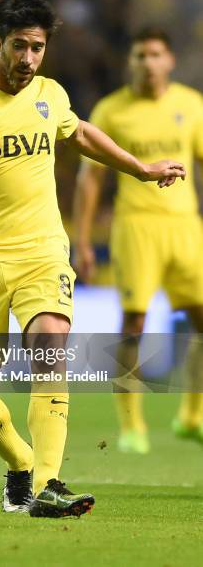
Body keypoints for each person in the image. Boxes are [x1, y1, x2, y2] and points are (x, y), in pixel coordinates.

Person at [0, 0, 185, 518]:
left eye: (38, 48)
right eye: (19, 46)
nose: (29, 58)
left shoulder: (50, 95)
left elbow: (78, 132)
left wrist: (140, 169)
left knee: (50, 347)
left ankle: (51, 483)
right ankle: (21, 464)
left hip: (42, 251)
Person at [73, 27, 203, 454]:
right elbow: (90, 181)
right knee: (134, 324)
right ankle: (132, 426)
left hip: (185, 226)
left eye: (156, 55)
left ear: (169, 61)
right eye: (140, 55)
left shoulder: (191, 104)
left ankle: (192, 416)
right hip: (135, 227)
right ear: (130, 62)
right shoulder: (111, 111)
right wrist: (84, 242)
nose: (148, 63)